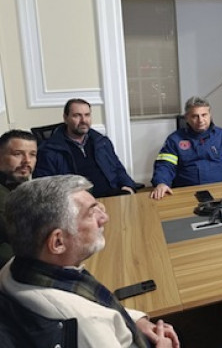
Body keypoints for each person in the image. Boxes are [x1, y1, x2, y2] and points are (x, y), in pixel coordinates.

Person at [0, 175, 180, 347]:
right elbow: (91, 316)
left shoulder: (14, 267)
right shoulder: (88, 324)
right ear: (58, 242)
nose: (104, 218)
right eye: (91, 213)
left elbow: (94, 306)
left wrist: (137, 321)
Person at [151, 96, 222, 200]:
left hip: (220, 191)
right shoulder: (174, 139)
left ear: (210, 115)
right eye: (195, 116)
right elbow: (165, 165)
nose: (200, 120)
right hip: (186, 193)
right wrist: (162, 182)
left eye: (204, 115)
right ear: (187, 118)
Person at [33, 99, 140, 198]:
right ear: (65, 118)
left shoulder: (102, 142)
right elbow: (44, 189)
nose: (83, 120)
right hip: (77, 203)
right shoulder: (49, 150)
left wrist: (128, 187)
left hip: (111, 196)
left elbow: (118, 169)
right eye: (77, 116)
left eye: (87, 115)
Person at [0, 130, 38, 266]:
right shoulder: (4, 197)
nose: (27, 160)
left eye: (32, 154)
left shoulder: (21, 185)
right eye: (17, 154)